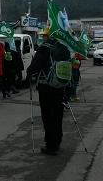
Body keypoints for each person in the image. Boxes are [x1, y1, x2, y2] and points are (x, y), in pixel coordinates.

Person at [26, 28, 68, 156]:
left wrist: (29, 75)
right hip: (60, 86)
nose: (42, 38)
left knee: (48, 115)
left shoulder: (43, 49)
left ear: (48, 37)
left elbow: (34, 67)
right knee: (58, 114)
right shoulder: (64, 48)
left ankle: (51, 145)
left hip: (46, 87)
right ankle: (58, 140)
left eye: (43, 35)